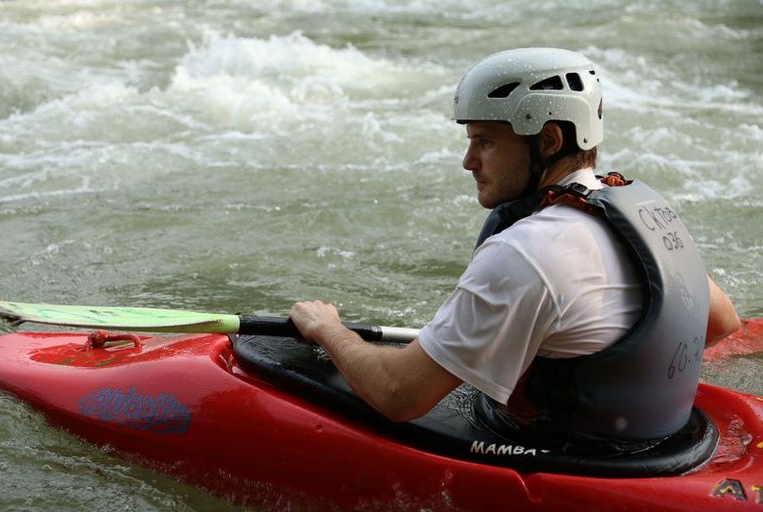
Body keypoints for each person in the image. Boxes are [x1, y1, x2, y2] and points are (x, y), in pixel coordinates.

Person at [290, 48, 740, 448]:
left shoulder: (525, 252)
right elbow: (721, 320)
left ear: (548, 141)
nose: (468, 161)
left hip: (571, 457)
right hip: (663, 446)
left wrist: (329, 330)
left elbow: (398, 395)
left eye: (484, 141)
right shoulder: (641, 212)